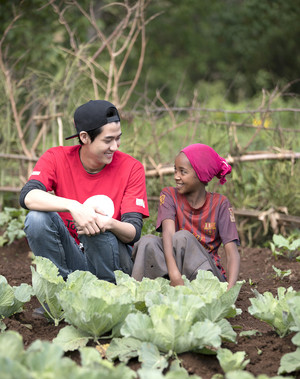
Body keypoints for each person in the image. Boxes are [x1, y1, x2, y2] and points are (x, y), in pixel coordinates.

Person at [19, 100, 149, 287]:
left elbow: (133, 232)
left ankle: (107, 295)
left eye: (118, 138)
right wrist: (74, 207)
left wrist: (108, 223)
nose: (115, 146)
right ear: (85, 137)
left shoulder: (131, 168)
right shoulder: (56, 158)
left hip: (113, 263)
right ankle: (59, 293)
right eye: (108, 140)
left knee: (94, 226)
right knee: (37, 218)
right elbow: (28, 196)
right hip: (75, 260)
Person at [131, 143, 240, 289]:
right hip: (175, 271)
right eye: (175, 170)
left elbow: (232, 252)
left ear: (201, 174)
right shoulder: (169, 195)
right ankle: (137, 293)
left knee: (182, 237)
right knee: (147, 242)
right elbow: (168, 233)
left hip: (207, 278)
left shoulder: (221, 204)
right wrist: (174, 274)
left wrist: (230, 289)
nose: (176, 176)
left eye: (183, 172)